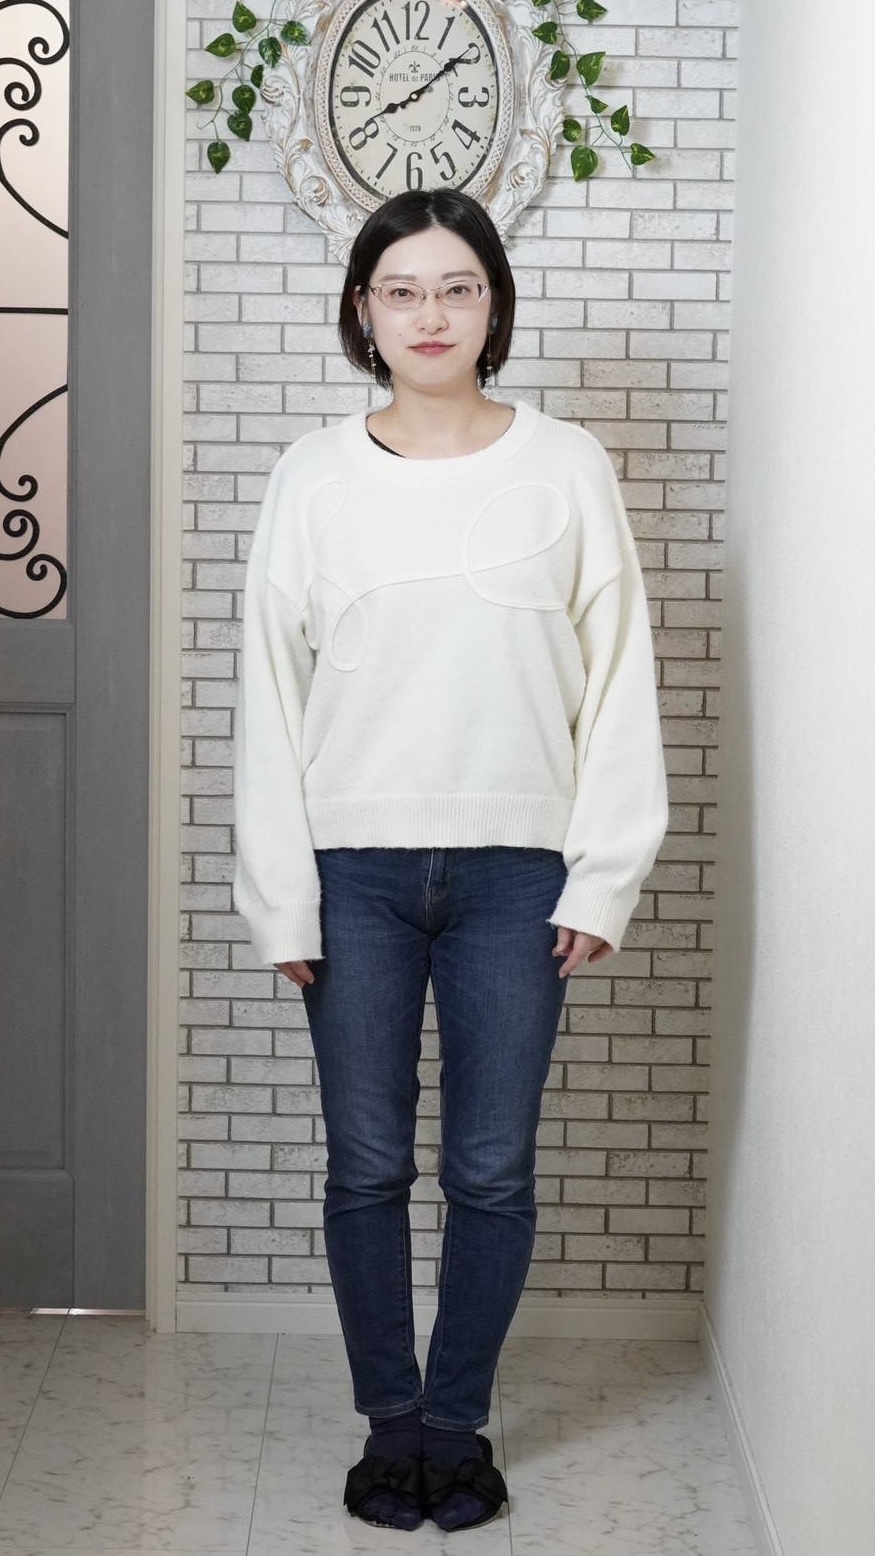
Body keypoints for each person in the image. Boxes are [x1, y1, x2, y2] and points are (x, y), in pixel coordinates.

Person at [232, 188, 669, 1533]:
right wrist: (281, 897)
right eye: (403, 289)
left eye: (458, 287)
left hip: (517, 877)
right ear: (363, 310)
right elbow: (268, 695)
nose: (431, 314)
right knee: (366, 1166)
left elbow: (619, 676)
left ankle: (457, 1427)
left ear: (494, 307)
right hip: (351, 876)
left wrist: (603, 873)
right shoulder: (311, 477)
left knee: (490, 1170)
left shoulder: (567, 466)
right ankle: (390, 1430)